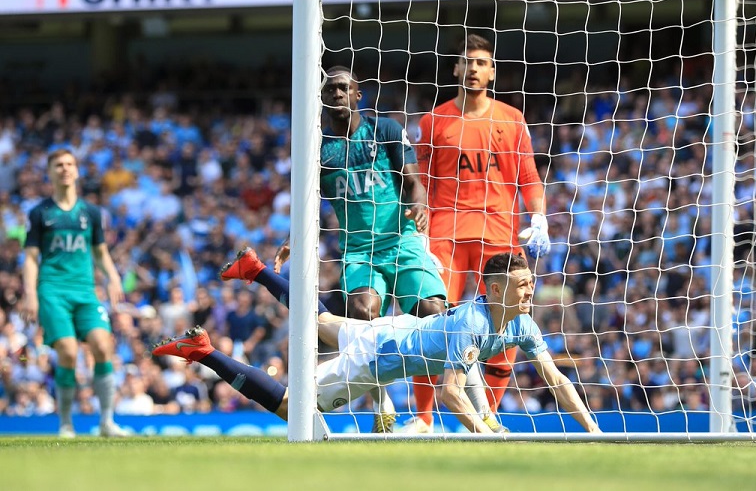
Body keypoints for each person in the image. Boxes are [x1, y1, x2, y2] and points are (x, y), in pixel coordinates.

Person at [218, 66, 459, 431]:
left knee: (434, 313)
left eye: (344, 88)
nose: (337, 93)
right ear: (322, 97)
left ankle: (471, 402)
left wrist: (421, 204)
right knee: (363, 312)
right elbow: (308, 204)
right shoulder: (318, 148)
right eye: (331, 89)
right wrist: (291, 243)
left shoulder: (386, 130)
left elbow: (413, 181)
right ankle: (384, 405)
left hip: (403, 240)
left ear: (358, 94)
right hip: (359, 250)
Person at [152, 252, 601, 434]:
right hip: (376, 358)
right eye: (522, 285)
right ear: (497, 288)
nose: (530, 291)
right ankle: (204, 352)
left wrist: (593, 431)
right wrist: (485, 434)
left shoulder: (522, 324)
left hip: (393, 328)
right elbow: (449, 393)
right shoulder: (473, 322)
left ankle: (255, 270)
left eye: (531, 283)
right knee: (294, 406)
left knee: (321, 318)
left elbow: (557, 381)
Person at [408, 34, 551, 432]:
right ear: (455, 68)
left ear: (492, 71)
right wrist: (416, 230)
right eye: (467, 62)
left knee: (505, 330)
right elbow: (419, 180)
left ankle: (486, 416)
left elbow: (529, 177)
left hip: (498, 236)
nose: (473, 68)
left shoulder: (512, 119)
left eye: (481, 62)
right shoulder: (433, 121)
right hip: (445, 235)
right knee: (430, 323)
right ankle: (422, 418)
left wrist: (538, 218)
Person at [21, 149, 128, 438]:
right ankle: (66, 424)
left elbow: (101, 252)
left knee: (103, 345)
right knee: (67, 352)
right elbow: (31, 258)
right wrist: (30, 294)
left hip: (85, 291)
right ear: (51, 172)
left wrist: (114, 278)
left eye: (70, 164)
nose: (65, 169)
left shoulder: (91, 213)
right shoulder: (40, 213)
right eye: (58, 165)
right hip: (52, 290)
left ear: (77, 171)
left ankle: (107, 422)